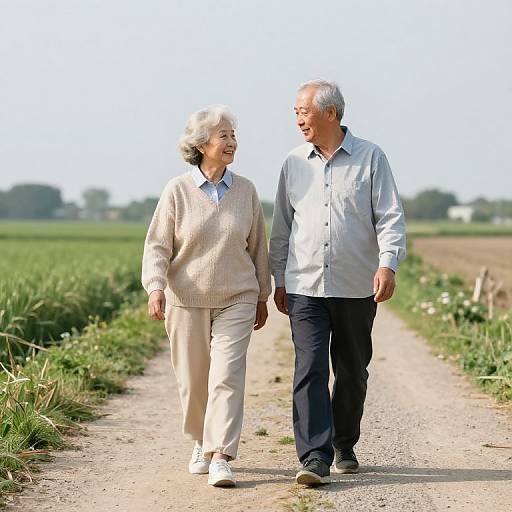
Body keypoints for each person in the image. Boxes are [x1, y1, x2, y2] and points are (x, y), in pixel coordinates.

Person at [269, 79, 406, 486]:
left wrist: (387, 264)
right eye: (295, 112)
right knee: (309, 367)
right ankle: (314, 456)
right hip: (304, 287)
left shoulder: (371, 158)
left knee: (351, 371)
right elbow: (282, 227)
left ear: (330, 113)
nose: (297, 120)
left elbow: (390, 215)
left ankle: (344, 443)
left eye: (303, 111)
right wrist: (279, 278)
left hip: (355, 286)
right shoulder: (293, 163)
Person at [141, 105, 271, 487]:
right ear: (201, 144)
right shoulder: (177, 191)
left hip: (238, 297)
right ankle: (200, 440)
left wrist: (262, 295)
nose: (232, 142)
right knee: (194, 380)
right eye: (224, 136)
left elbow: (258, 247)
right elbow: (157, 246)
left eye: (233, 136)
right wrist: (156, 286)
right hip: (185, 299)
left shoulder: (246, 190)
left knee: (227, 376)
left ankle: (220, 455)